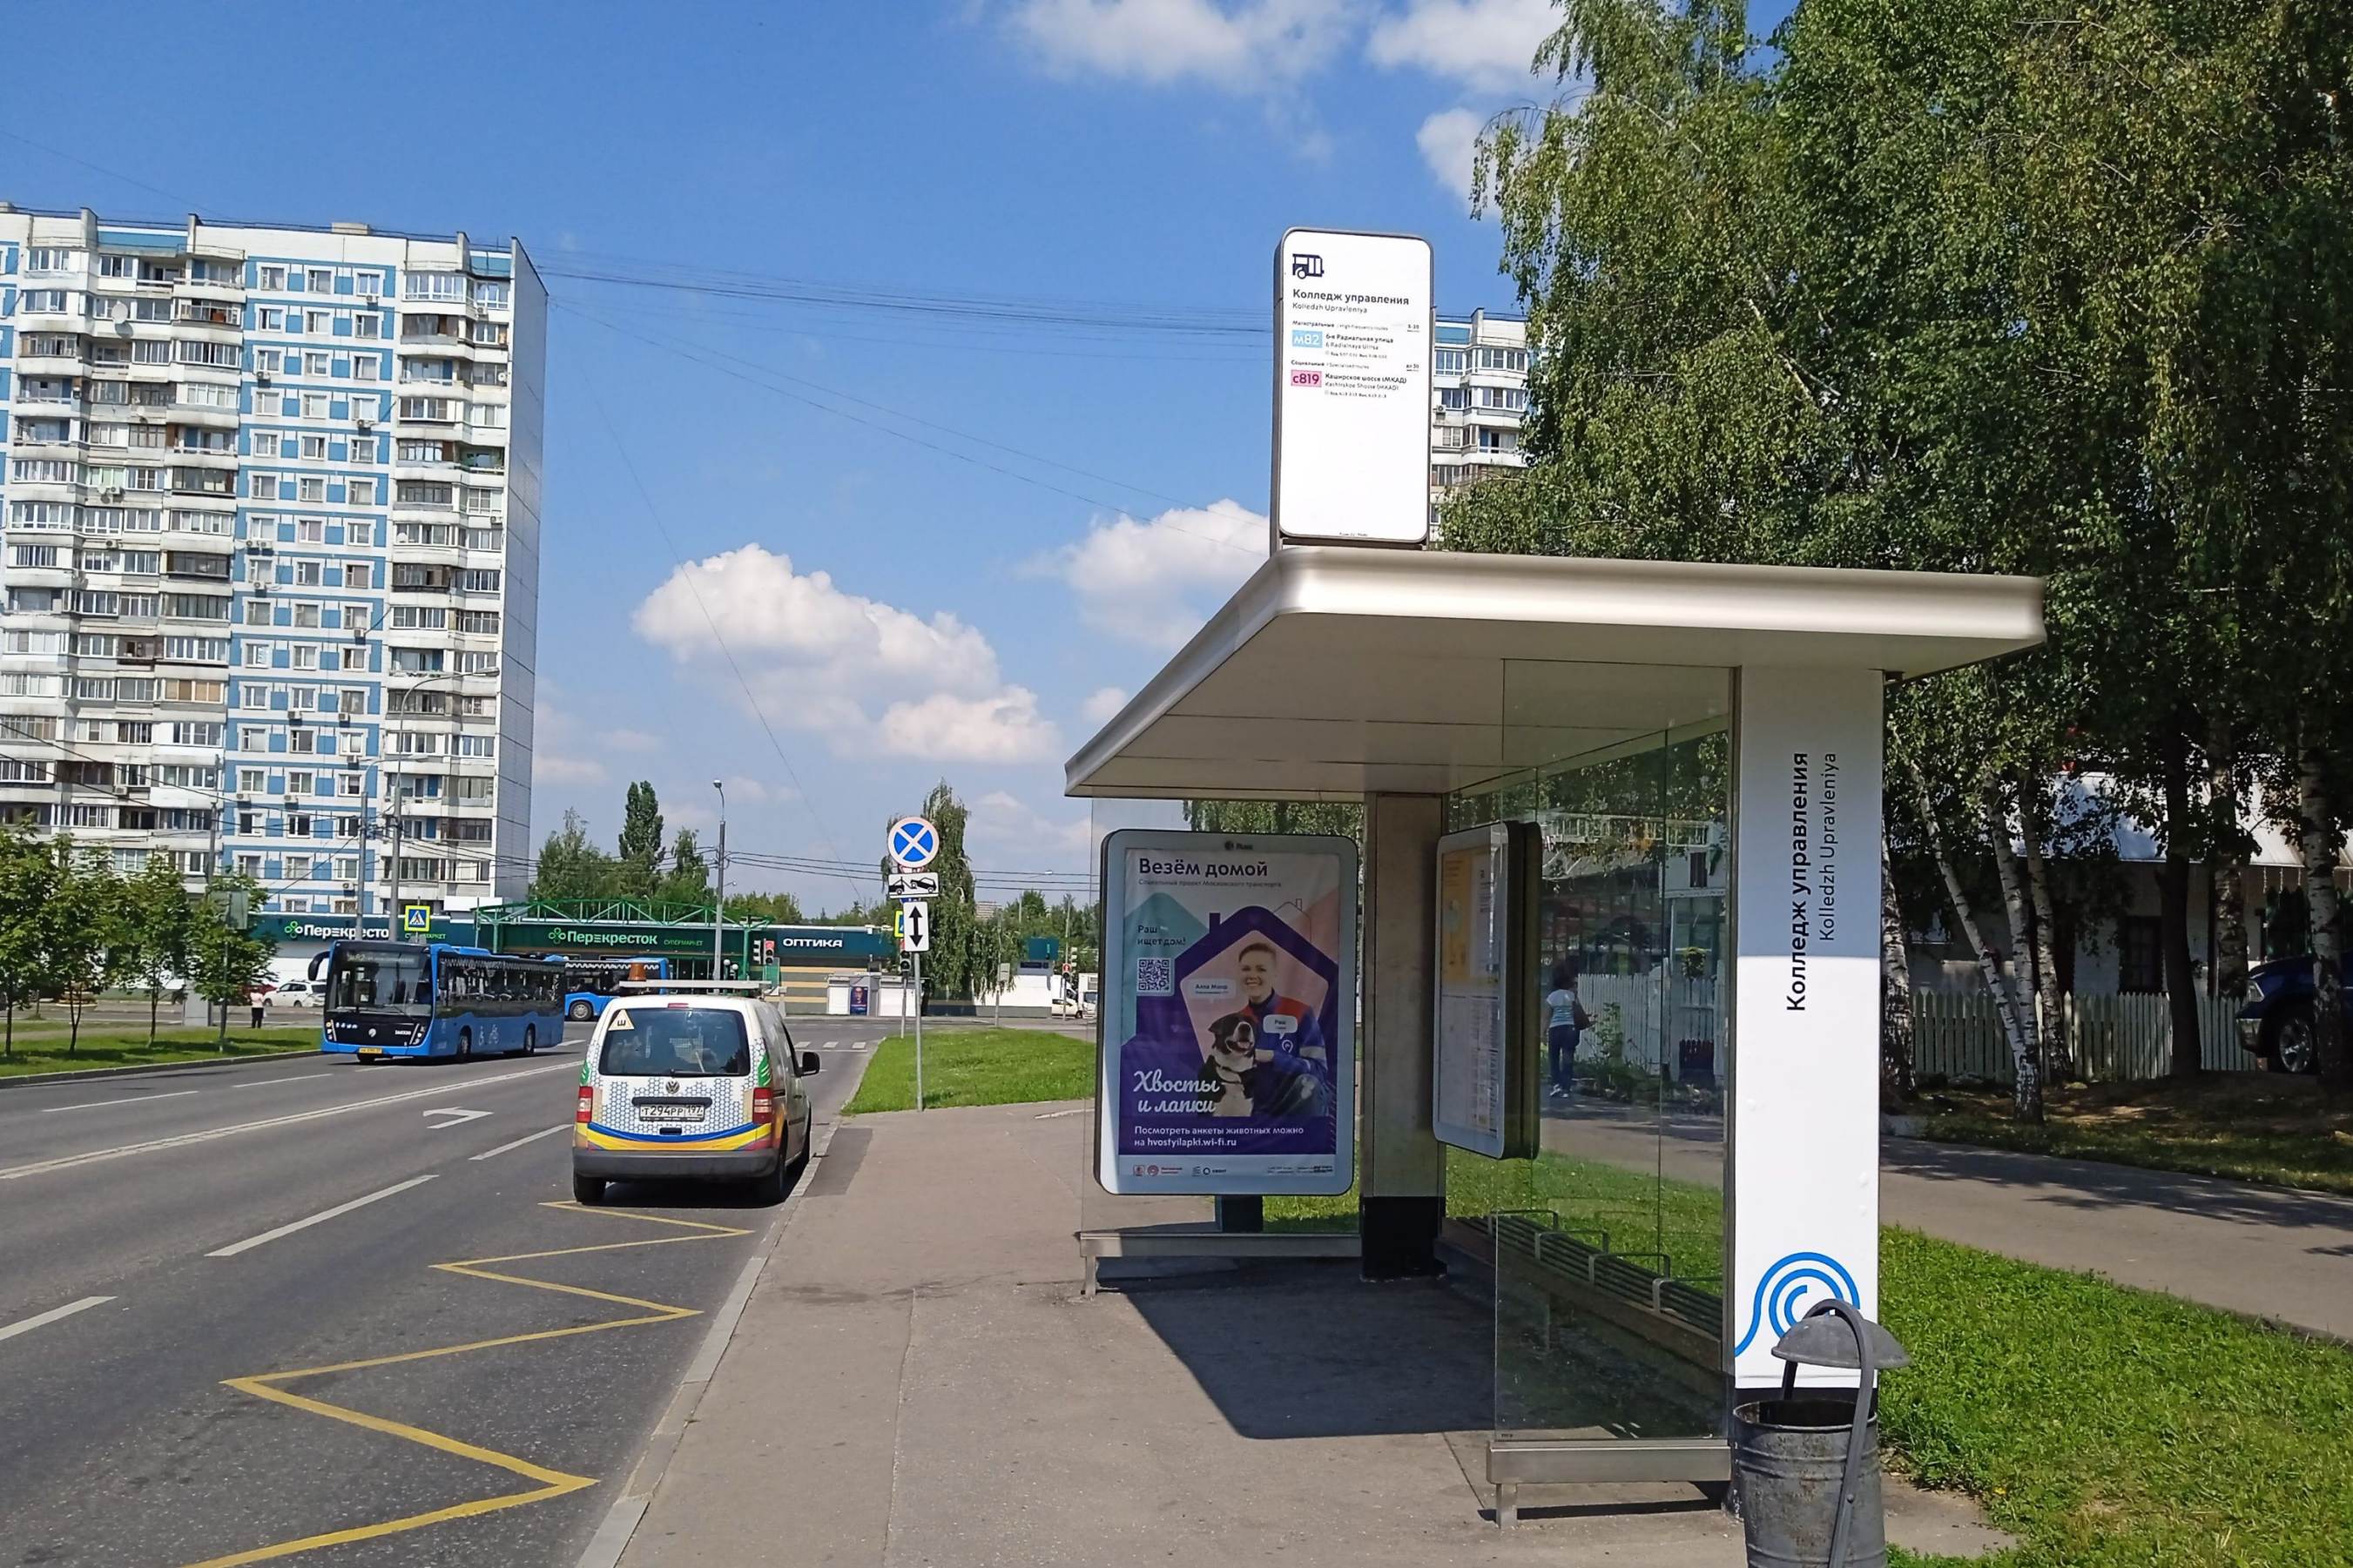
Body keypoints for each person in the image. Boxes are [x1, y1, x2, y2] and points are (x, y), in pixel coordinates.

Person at [1233, 940, 1327, 1064]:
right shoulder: (1235, 1021)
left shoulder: (1301, 1012)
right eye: (1246, 969)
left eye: (1261, 969)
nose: (1252, 975)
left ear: (1275, 973)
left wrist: (1273, 1057)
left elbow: (1318, 1068)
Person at [1543, 960, 1589, 1099]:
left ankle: (1556, 1085)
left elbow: (1546, 1017)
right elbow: (1578, 1011)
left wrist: (1542, 1032)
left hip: (1555, 1029)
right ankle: (1566, 1088)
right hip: (1570, 1029)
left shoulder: (1551, 997)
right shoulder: (1571, 996)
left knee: (1554, 1058)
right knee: (1568, 1058)